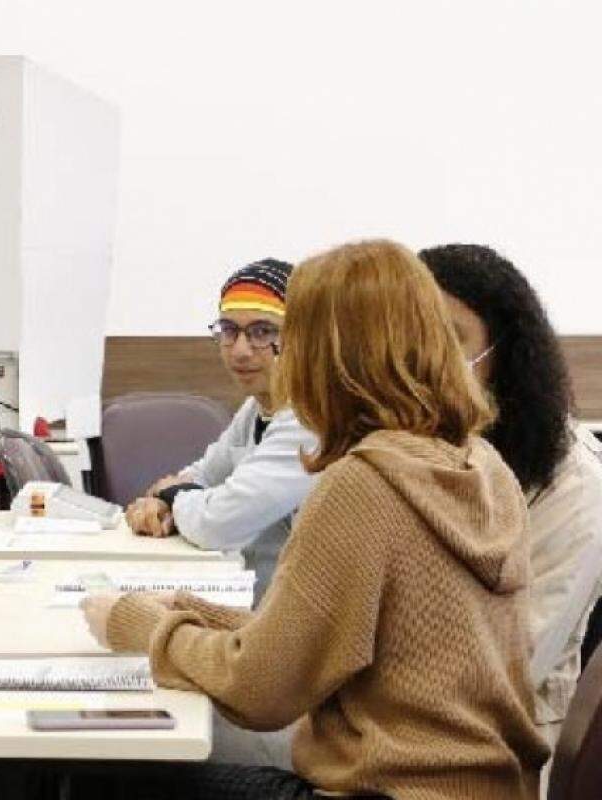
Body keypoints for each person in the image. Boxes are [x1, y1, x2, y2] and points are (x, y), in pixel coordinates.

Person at [82, 240, 549, 799]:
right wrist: (184, 612)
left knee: (105, 772)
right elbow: (307, 639)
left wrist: (139, 628)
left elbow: (261, 689)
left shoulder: (364, 483)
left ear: (323, 355)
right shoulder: (483, 464)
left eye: (285, 337)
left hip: (385, 789)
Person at [421, 244, 602, 763]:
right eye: (411, 337)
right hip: (379, 734)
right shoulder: (415, 450)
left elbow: (509, 669)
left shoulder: (573, 483)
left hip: (487, 758)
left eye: (449, 339)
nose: (425, 362)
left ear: (505, 352)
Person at [125, 259, 317, 607]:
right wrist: (164, 498)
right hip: (255, 607)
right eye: (229, 331)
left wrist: (172, 496)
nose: (241, 351)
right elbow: (200, 475)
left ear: (299, 338)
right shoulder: (258, 409)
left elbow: (218, 522)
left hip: (297, 632)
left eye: (263, 332)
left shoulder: (311, 420)